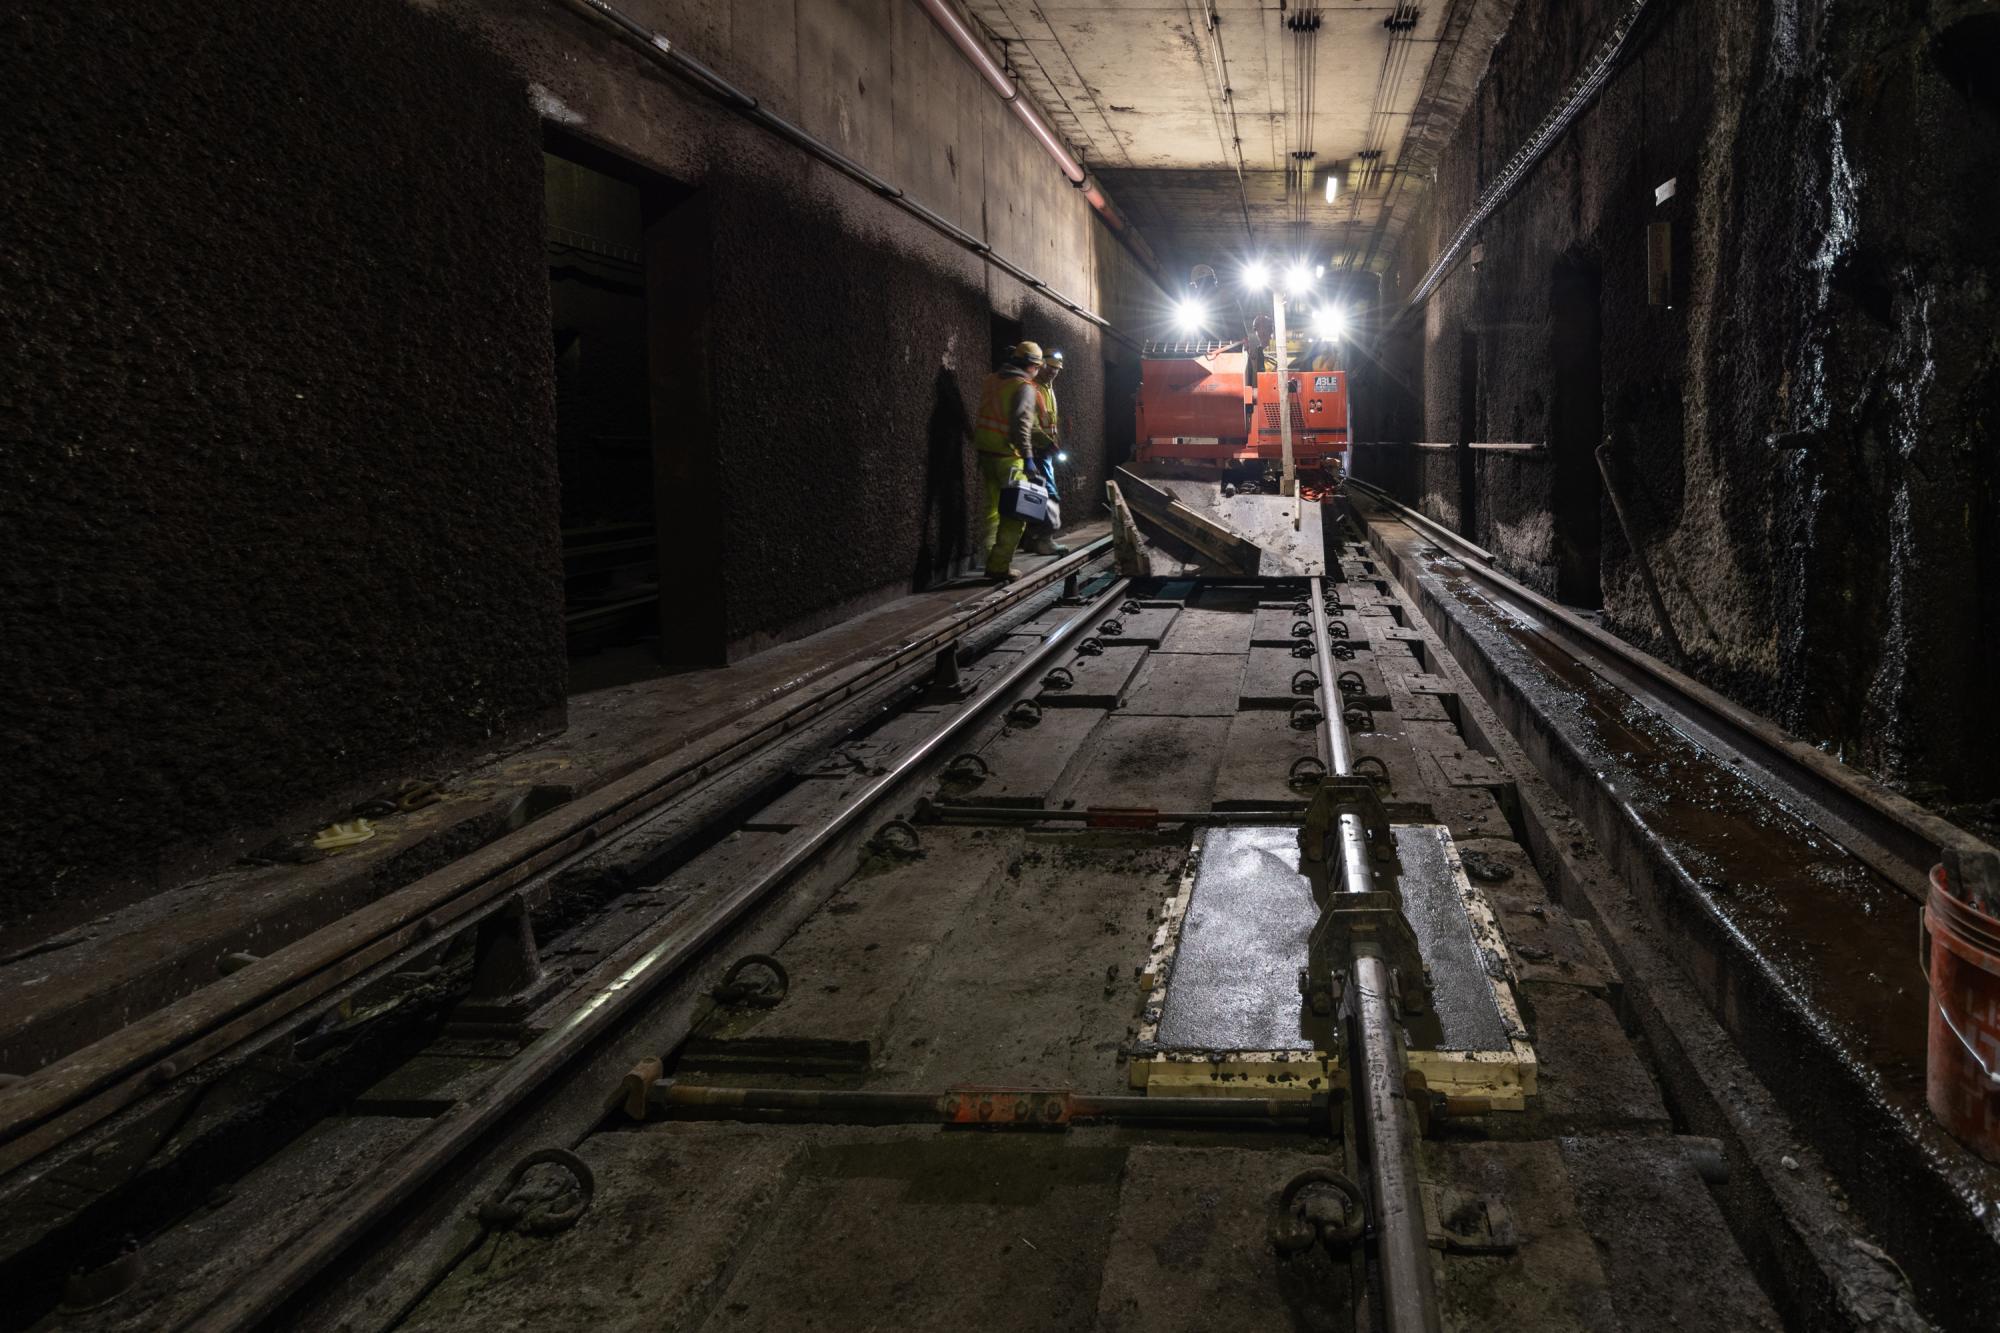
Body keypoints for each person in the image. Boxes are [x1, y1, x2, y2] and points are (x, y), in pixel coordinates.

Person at [971, 341, 1043, 580]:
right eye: (1037, 367)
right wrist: (1029, 457)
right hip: (1008, 457)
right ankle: (999, 565)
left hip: (985, 453)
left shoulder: (991, 380)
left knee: (991, 510)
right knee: (1015, 513)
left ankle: (989, 559)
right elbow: (1021, 425)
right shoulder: (1024, 387)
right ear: (1032, 365)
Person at [1022, 349, 1070, 557]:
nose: (1053, 372)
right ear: (1041, 365)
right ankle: (1045, 539)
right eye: (1049, 367)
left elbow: (1049, 421)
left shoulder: (1048, 389)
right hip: (1037, 450)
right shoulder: (1033, 388)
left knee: (1034, 494)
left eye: (1056, 369)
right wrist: (1048, 442)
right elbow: (1031, 424)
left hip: (1045, 450)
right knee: (1049, 494)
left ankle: (1031, 539)